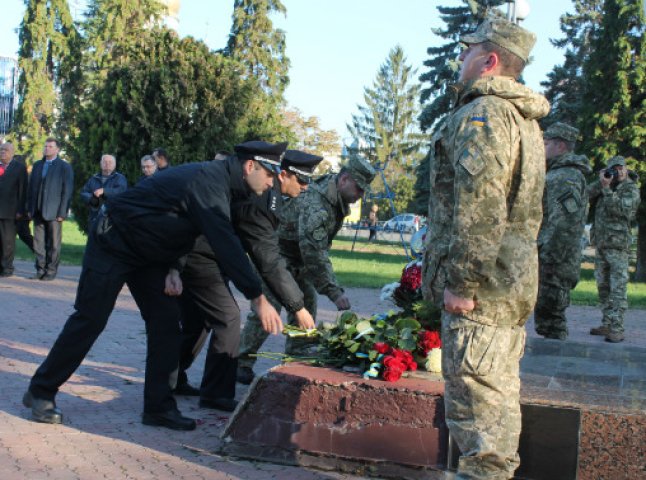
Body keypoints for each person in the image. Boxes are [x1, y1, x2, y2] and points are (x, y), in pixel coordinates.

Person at [22, 143, 283, 431]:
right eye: (271, 174)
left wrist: (174, 267)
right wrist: (257, 298)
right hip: (114, 241)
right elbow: (223, 239)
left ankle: (158, 407)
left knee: (167, 323)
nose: (273, 182)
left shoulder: (226, 184)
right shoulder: (210, 180)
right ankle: (41, 390)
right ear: (250, 167)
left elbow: (179, 224)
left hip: (148, 254)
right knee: (90, 318)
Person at [420, 17, 549, 479]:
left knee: (478, 418)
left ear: (489, 61)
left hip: (482, 292)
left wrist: (461, 281)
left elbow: (482, 205)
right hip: (506, 286)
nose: (460, 59)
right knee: (496, 406)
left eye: (467, 51)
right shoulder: (521, 119)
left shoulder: (486, 114)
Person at [175, 147, 323, 411]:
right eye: (301, 181)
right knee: (228, 317)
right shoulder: (262, 201)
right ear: (283, 175)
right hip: (202, 254)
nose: (305, 187)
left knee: (199, 321)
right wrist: (297, 306)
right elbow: (268, 259)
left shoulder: (271, 197)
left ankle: (171, 378)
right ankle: (216, 394)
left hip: (207, 252)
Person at [237, 154, 376, 384]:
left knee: (306, 306)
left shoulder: (332, 196)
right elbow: (314, 253)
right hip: (276, 258)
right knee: (268, 308)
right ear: (343, 180)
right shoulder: (317, 206)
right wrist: (333, 291)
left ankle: (297, 358)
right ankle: (240, 362)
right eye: (358, 188)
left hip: (297, 260)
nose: (360, 195)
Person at [534, 123, 591, 340]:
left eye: (546, 143)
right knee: (549, 319)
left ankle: (554, 369)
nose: (542, 148)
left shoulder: (563, 177)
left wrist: (549, 258)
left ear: (560, 146)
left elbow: (565, 224)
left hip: (555, 262)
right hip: (555, 259)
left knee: (551, 322)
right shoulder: (564, 174)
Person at [588, 156, 640, 343]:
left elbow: (621, 210)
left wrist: (607, 190)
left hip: (618, 247)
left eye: (621, 168)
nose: (618, 172)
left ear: (626, 169)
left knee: (617, 288)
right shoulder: (606, 185)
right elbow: (586, 194)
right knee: (603, 287)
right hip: (602, 245)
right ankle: (607, 323)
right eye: (614, 169)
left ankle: (617, 328)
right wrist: (601, 181)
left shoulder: (630, 189)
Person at [26, 137, 74, 280]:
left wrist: (62, 212)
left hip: (54, 212)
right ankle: (40, 269)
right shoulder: (37, 165)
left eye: (50, 146)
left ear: (57, 149)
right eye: (46, 146)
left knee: (53, 243)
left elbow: (67, 190)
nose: (47, 149)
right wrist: (30, 208)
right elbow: (31, 188)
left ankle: (51, 271)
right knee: (38, 242)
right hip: (38, 210)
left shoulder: (64, 167)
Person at [0, 142, 28, 277]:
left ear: (12, 152)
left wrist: (20, 210)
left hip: (11, 211)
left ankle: (7, 268)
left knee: (8, 241)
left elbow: (23, 191)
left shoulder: (19, 168)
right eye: (1, 150)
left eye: (5, 150)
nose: (2, 152)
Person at [79, 154, 128, 224]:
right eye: (105, 162)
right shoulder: (94, 178)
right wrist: (93, 199)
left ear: (115, 165)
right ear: (101, 164)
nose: (107, 164)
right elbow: (83, 192)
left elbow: (121, 191)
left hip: (113, 218)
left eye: (110, 162)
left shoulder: (120, 178)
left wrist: (104, 191)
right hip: (95, 217)